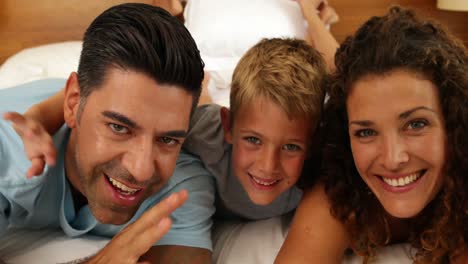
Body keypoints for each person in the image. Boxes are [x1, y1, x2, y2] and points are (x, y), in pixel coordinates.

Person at [1, 3, 215, 263]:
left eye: (167, 139)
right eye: (119, 127)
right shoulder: (9, 153)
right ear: (72, 103)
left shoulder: (182, 185)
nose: (142, 170)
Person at [276, 6, 468, 263]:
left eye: (416, 124)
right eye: (366, 132)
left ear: (453, 122)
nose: (392, 159)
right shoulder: (340, 198)